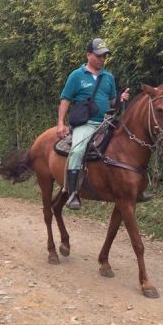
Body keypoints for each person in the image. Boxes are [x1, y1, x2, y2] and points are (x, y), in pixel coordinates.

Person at [56, 38, 130, 209]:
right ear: (88, 54)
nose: (102, 59)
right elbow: (65, 100)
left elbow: (112, 103)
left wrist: (121, 99)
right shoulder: (76, 76)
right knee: (77, 150)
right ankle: (73, 193)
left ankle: (130, 187)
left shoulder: (108, 77)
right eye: (98, 56)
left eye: (104, 56)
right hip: (86, 123)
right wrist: (61, 123)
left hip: (107, 122)